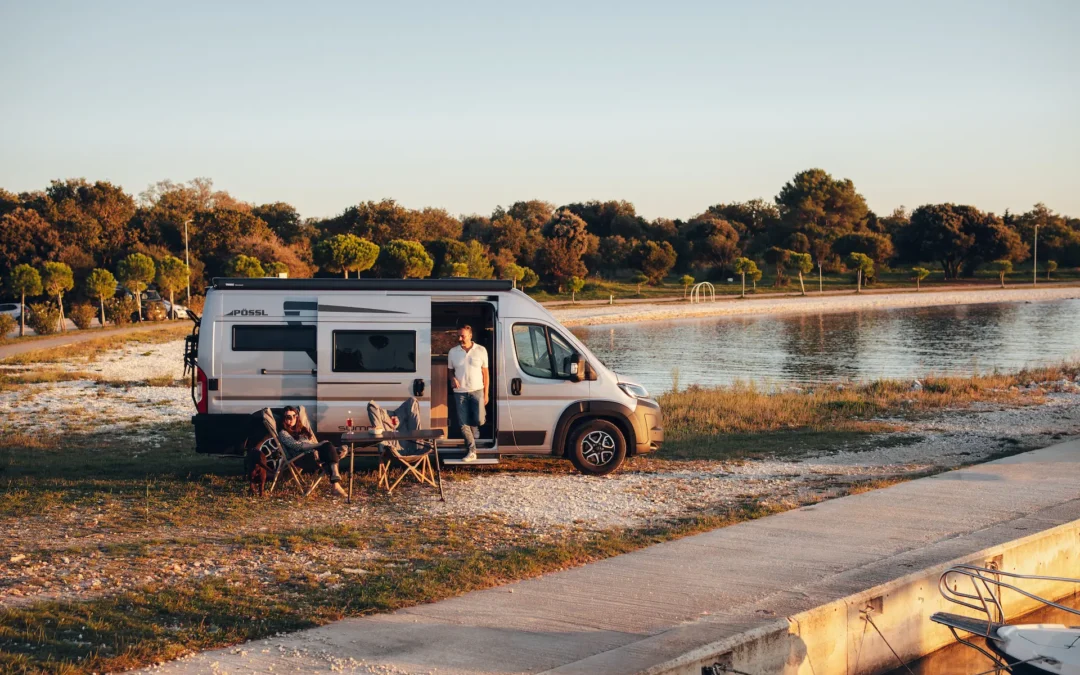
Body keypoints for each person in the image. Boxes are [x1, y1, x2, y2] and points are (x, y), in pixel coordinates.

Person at [279, 405, 348, 497]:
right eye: (288, 417)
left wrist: (324, 446)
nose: (292, 419)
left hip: (315, 454)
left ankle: (335, 483)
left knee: (333, 447)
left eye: (294, 416)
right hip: (303, 458)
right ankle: (335, 476)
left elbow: (314, 445)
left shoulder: (302, 430)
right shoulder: (283, 433)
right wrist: (318, 445)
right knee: (328, 448)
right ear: (284, 419)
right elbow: (297, 446)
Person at [447, 324, 488, 462]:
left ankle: (475, 426)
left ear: (470, 335)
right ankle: (472, 451)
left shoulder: (481, 350)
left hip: (477, 390)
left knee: (479, 419)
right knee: (463, 423)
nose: (459, 338)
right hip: (460, 392)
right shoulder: (453, 352)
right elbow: (450, 370)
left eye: (462, 336)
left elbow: (485, 374)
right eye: (458, 335)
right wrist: (452, 378)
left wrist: (486, 393)